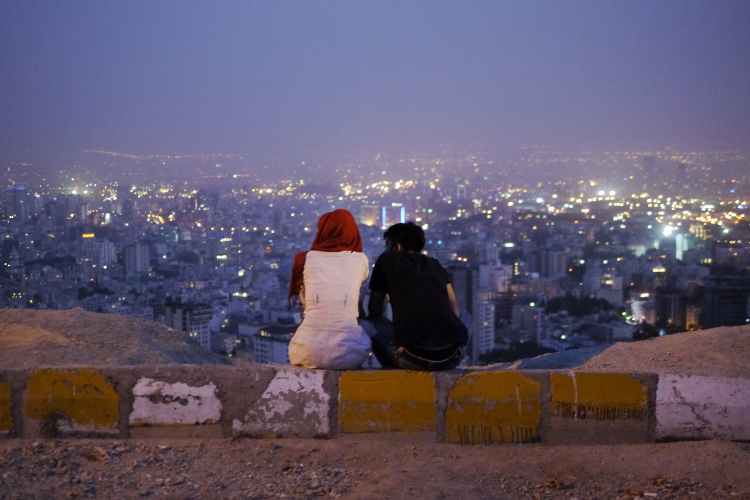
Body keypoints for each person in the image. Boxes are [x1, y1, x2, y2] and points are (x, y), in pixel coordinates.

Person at [367, 222, 470, 371]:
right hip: (451, 357)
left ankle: (392, 369)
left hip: (412, 357)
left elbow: (375, 310)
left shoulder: (386, 261)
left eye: (387, 245)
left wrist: (392, 292)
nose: (386, 249)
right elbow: (455, 312)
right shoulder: (436, 265)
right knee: (466, 316)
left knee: (368, 323)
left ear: (397, 247)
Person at [287, 209, 372, 369]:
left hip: (304, 351)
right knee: (375, 327)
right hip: (352, 353)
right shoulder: (361, 261)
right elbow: (358, 308)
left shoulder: (304, 260)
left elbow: (306, 307)